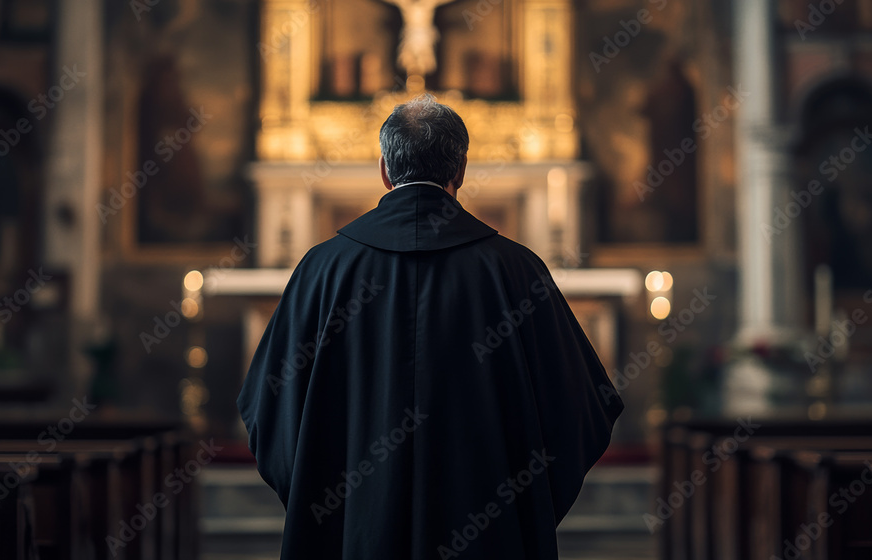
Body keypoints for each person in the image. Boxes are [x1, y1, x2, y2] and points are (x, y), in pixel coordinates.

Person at [236, 94, 623, 560]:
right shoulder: (516, 271)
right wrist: (522, 509)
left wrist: (328, 509)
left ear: (383, 169)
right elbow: (583, 409)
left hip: (356, 536)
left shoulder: (323, 269)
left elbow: (267, 409)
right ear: (459, 170)